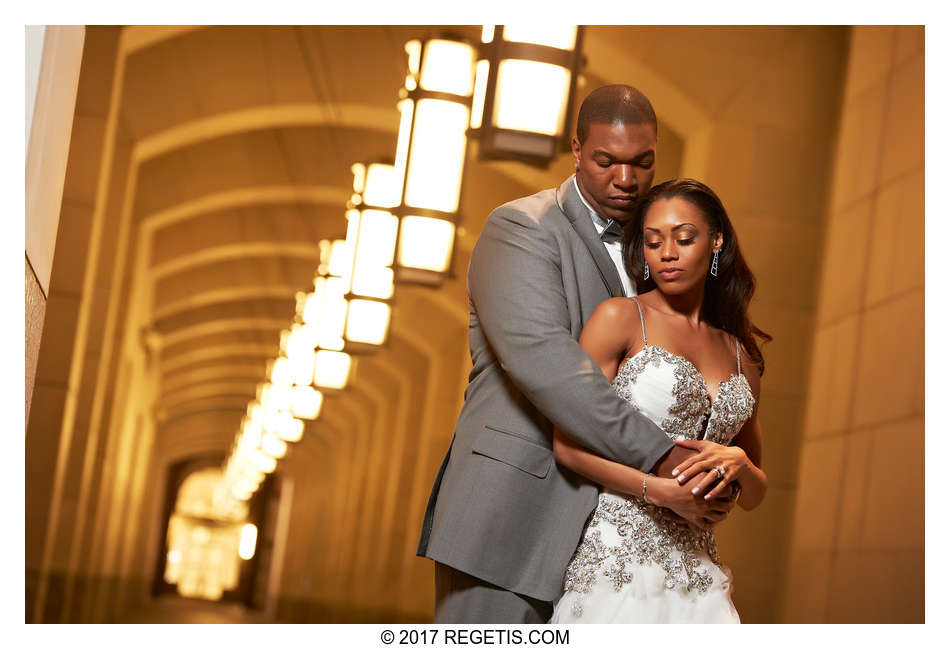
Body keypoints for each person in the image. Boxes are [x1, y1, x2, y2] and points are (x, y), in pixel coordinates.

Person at [416, 85, 736, 623]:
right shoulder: (521, 229)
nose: (626, 179)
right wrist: (670, 460)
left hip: (613, 544)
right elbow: (554, 370)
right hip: (511, 518)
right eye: (606, 161)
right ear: (576, 150)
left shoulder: (656, 245)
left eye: (642, 162)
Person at [549, 178, 770, 623]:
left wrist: (741, 466)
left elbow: (754, 494)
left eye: (684, 238)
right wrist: (661, 492)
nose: (667, 252)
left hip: (700, 580)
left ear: (716, 241)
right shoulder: (621, 318)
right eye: (653, 242)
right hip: (618, 563)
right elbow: (567, 446)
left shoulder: (740, 353)